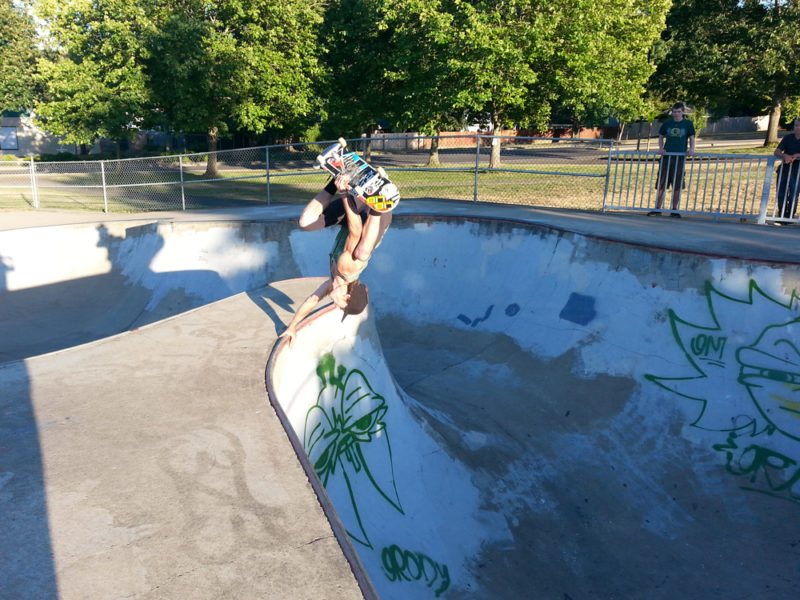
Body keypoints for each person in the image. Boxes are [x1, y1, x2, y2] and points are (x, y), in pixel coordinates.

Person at [279, 175, 390, 346]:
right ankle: (379, 197)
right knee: (363, 252)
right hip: (375, 220)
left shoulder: (333, 283)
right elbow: (356, 231)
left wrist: (292, 327)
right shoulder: (347, 269)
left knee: (306, 222)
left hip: (355, 217)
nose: (336, 307)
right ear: (346, 296)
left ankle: (336, 179)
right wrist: (344, 193)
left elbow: (311, 300)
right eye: (341, 306)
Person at [649, 102, 696, 218]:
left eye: (679, 112)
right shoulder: (667, 123)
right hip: (667, 156)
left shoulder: (688, 124)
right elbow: (661, 135)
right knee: (662, 182)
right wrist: (661, 148)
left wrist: (692, 149)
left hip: (679, 157)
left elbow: (692, 137)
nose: (676, 114)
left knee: (677, 184)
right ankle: (658, 208)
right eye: (674, 112)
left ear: (683, 112)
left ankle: (674, 209)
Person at [773, 118, 800, 224]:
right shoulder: (788, 138)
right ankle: (781, 216)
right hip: (784, 169)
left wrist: (797, 155)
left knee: (793, 194)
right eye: (796, 126)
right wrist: (784, 155)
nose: (798, 128)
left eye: (799, 126)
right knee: (781, 194)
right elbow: (777, 151)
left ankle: (789, 216)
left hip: (797, 172)